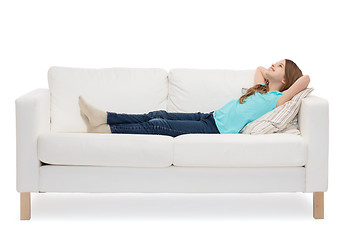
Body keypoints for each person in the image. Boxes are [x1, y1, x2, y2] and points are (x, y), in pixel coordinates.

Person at [79, 58, 308, 137]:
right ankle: (105, 116)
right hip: (209, 116)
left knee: (159, 125)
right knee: (158, 114)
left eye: (279, 66)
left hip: (216, 130)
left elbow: (304, 80)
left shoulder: (278, 99)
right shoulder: (260, 89)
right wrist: (270, 75)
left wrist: (287, 79)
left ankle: (106, 129)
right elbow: (259, 68)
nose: (272, 64)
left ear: (286, 80)